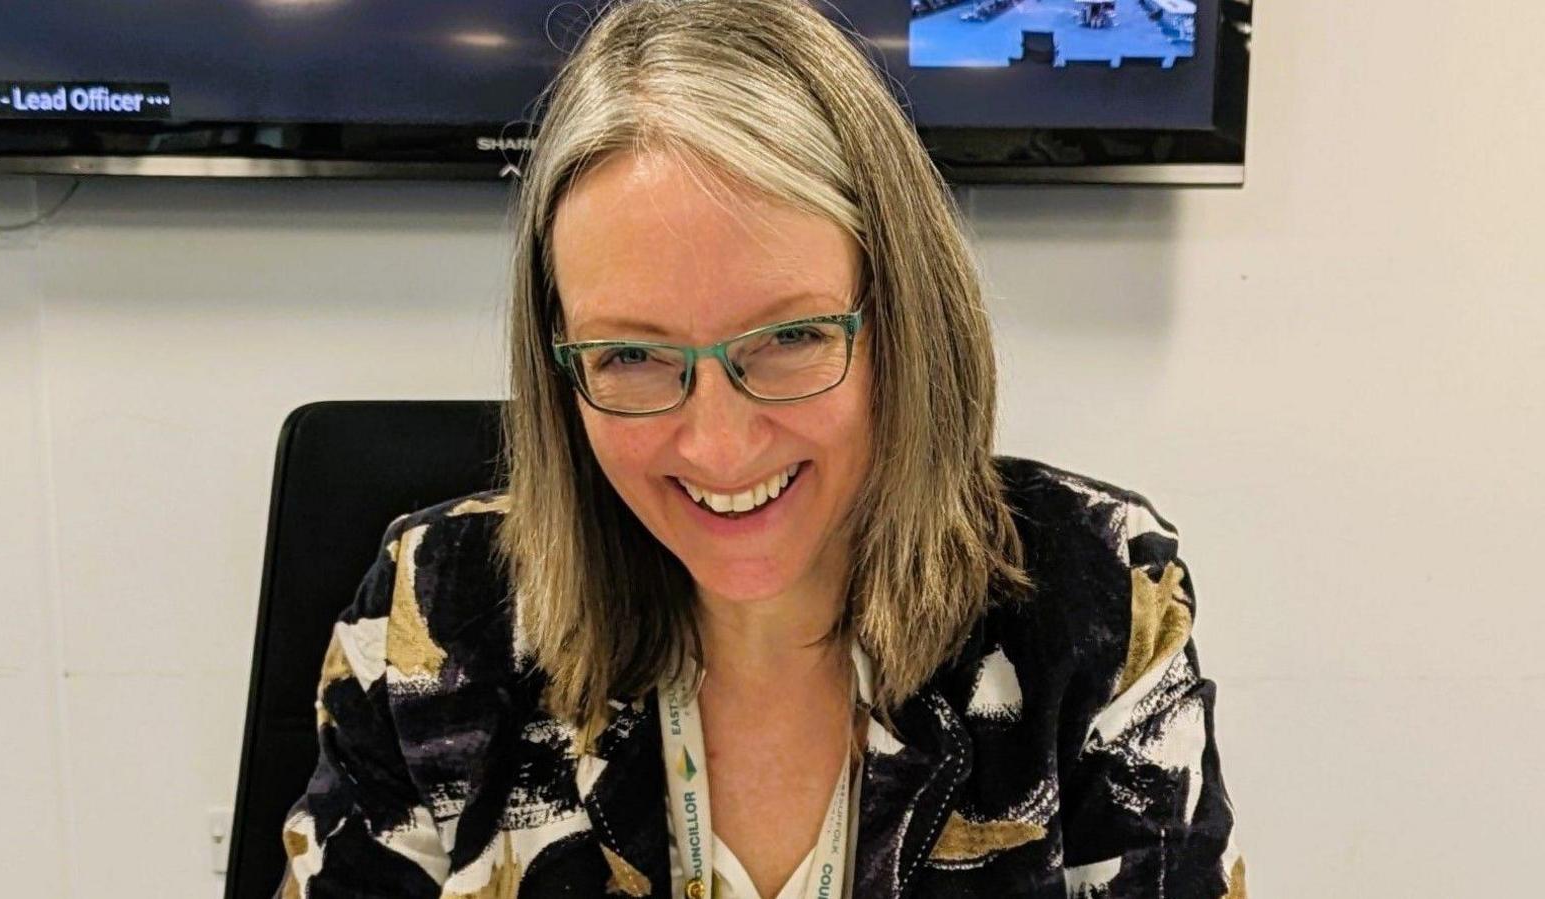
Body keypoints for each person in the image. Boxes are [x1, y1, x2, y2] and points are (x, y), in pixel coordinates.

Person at [273, 0, 1246, 897]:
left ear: (905, 320)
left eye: (790, 337)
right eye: (631, 355)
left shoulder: (1097, 599)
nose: (718, 442)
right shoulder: (433, 616)